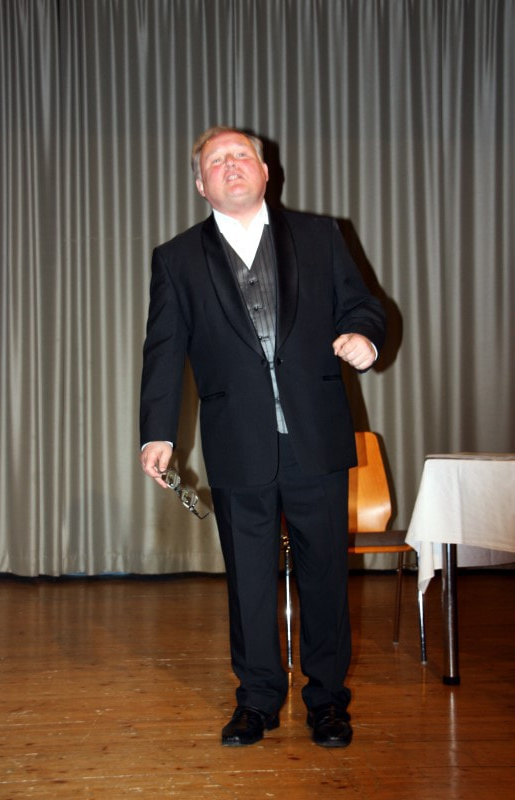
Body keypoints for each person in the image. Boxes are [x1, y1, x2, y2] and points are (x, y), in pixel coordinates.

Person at [140, 125, 386, 747]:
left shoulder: (320, 236)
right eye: (215, 161)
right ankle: (257, 700)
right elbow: (164, 351)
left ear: (265, 170)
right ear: (201, 185)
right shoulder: (175, 258)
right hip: (237, 442)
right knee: (248, 580)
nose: (231, 165)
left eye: (241, 155)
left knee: (325, 576)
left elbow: (363, 305)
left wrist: (364, 335)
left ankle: (327, 701)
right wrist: (156, 434)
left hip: (316, 438)